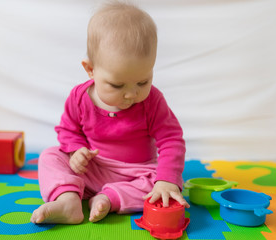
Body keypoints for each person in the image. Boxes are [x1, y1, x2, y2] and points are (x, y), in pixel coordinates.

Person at [31, 1, 189, 225]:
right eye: (117, 85)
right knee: (50, 156)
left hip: (138, 173)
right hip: (93, 167)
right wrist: (77, 151)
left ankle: (110, 198)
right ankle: (68, 200)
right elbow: (67, 130)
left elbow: (171, 140)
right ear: (91, 70)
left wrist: (167, 181)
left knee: (162, 182)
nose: (131, 94)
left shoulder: (153, 101)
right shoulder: (80, 97)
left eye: (143, 81)